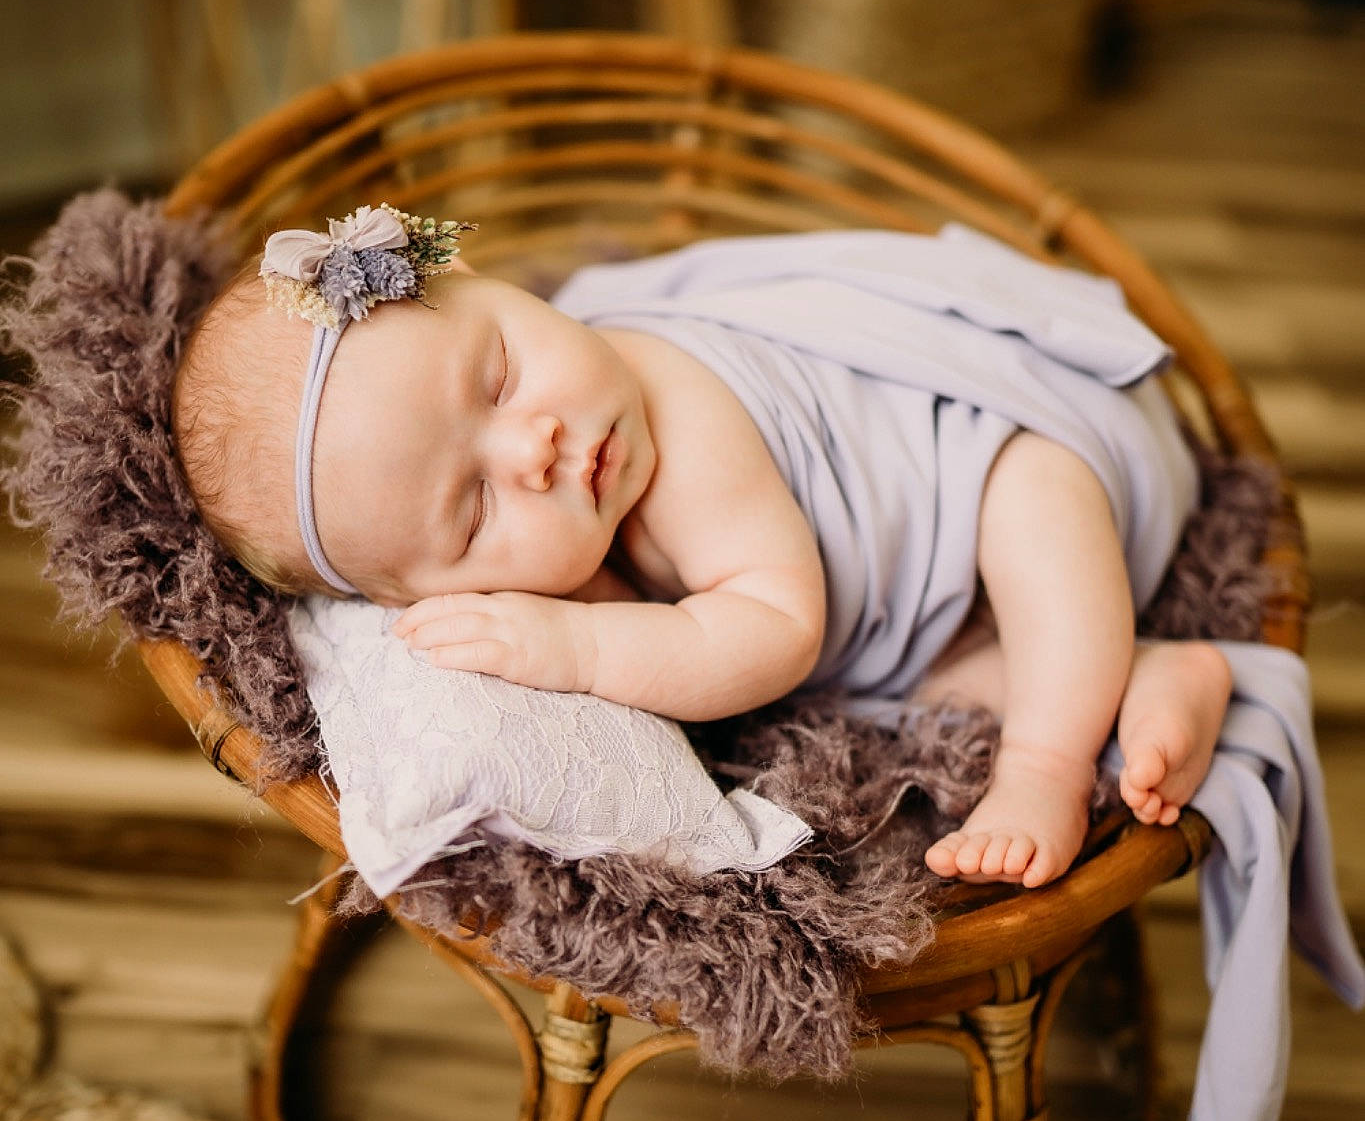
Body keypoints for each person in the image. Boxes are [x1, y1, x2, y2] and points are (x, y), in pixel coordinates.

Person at [172, 203, 1232, 892]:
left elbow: (775, 633)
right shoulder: (568, 508)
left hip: (1024, 454)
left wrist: (576, 646)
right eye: (474, 511)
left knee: (1031, 496)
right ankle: (1136, 675)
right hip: (929, 609)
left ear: (491, 281)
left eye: (498, 377)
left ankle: (1048, 761)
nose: (534, 447)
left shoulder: (678, 428)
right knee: (932, 685)